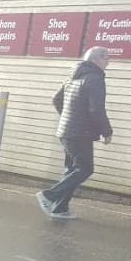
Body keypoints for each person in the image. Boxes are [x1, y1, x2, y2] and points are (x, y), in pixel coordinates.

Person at [37, 46, 113, 220]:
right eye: (107, 58)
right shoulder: (95, 78)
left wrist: (69, 118)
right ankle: (49, 196)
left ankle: (60, 209)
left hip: (67, 131)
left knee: (72, 170)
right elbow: (96, 110)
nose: (109, 61)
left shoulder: (74, 74)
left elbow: (56, 99)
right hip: (80, 133)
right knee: (85, 169)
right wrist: (106, 131)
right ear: (97, 59)